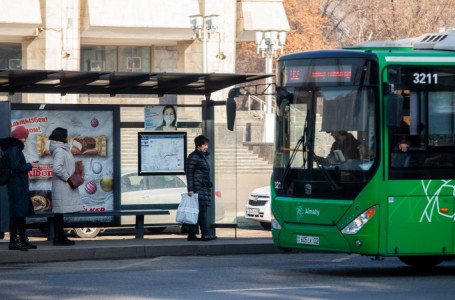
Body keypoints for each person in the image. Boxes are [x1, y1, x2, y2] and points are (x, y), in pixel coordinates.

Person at [0, 126, 38, 250]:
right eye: (25, 137)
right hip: (16, 186)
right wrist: (29, 165)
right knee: (16, 214)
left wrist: (27, 165)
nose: (26, 139)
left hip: (18, 186)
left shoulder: (14, 148)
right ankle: (13, 241)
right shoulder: (13, 149)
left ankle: (22, 239)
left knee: (20, 214)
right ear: (20, 137)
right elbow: (16, 167)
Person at [49, 127, 83, 246]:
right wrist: (68, 177)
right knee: (59, 214)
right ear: (62, 137)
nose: (67, 138)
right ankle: (59, 239)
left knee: (59, 214)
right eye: (65, 135)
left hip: (62, 185)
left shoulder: (62, 149)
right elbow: (57, 168)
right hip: (63, 185)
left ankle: (60, 238)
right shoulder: (60, 150)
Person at [183, 135, 217, 241]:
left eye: (207, 144)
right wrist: (190, 189)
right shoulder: (194, 156)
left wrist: (208, 183)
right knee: (202, 212)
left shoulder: (203, 156)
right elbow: (189, 174)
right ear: (198, 145)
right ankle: (205, 233)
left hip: (203, 188)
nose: (206, 147)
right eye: (204, 145)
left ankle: (192, 234)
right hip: (197, 189)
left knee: (198, 212)